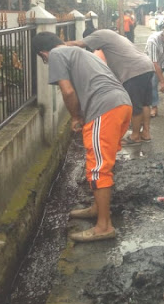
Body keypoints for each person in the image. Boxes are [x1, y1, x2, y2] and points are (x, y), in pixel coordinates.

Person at [32, 32, 132, 242]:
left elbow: (68, 92)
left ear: (43, 53)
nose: (47, 62)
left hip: (104, 109)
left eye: (44, 59)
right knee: (103, 162)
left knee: (97, 168)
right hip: (122, 104)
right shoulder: (81, 52)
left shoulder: (57, 55)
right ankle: (97, 208)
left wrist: (76, 116)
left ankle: (104, 226)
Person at [66, 29, 155, 145]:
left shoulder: (100, 34)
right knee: (144, 103)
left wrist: (59, 45)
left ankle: (135, 136)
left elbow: (78, 44)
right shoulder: (114, 37)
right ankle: (146, 133)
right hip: (147, 66)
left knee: (135, 105)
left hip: (133, 71)